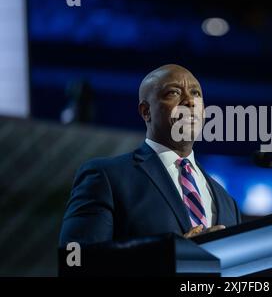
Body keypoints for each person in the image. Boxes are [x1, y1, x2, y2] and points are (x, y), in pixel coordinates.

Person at [59, 64, 241, 246]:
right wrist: (168, 258)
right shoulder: (106, 177)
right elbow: (75, 260)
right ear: (146, 111)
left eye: (196, 94)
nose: (190, 101)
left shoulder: (228, 203)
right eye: (174, 93)